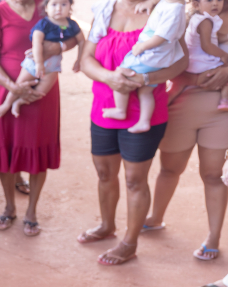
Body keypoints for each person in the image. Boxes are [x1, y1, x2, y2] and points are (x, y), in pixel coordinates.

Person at [77, 0, 187, 264]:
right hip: (105, 107)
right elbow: (86, 60)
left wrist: (146, 80)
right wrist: (109, 78)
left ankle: (129, 243)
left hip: (144, 114)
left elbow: (181, 62)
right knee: (105, 173)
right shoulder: (105, 10)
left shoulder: (164, 10)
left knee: (134, 180)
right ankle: (106, 226)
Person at [143, 0, 228, 261]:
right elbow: (173, 63)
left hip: (221, 109)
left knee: (214, 175)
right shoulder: (185, 16)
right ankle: (155, 218)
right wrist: (197, 79)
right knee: (169, 168)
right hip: (183, 101)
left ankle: (213, 237)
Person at [0, 0, 64, 237]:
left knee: (38, 149)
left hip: (41, 95)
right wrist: (14, 88)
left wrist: (57, 48)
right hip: (6, 91)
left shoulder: (46, 7)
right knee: (5, 149)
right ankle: (9, 206)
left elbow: (69, 35)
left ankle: (32, 212)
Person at [103, 0, 186, 133]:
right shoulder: (169, 3)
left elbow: (162, 36)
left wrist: (142, 46)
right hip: (155, 56)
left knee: (121, 73)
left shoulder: (174, 10)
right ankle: (144, 121)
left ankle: (120, 110)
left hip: (151, 54)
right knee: (146, 91)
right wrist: (150, 3)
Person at [0, 0, 85, 118]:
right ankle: (6, 104)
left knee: (42, 91)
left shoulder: (72, 25)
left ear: (70, 7)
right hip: (35, 62)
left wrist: (79, 60)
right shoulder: (43, 24)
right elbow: (36, 43)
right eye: (54, 4)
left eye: (63, 4)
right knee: (20, 83)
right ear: (46, 8)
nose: (59, 8)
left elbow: (82, 41)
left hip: (53, 65)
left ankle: (19, 102)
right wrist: (39, 63)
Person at [182, 0, 228, 110]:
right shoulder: (205, 21)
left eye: (219, 0)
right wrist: (224, 55)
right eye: (209, 0)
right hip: (201, 64)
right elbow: (206, 46)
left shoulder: (199, 17)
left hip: (192, 63)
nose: (215, 3)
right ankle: (224, 100)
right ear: (196, 4)